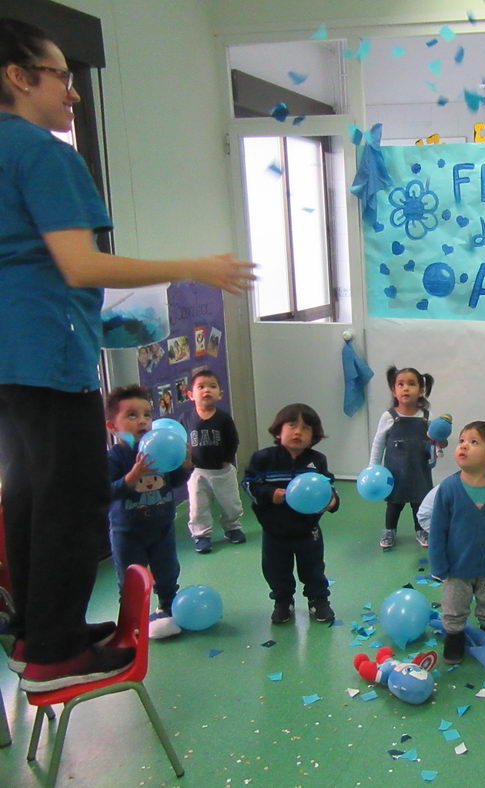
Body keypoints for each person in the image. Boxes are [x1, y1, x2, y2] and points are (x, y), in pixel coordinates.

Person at [0, 18, 253, 691]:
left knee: (28, 489)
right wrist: (192, 264)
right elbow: (81, 265)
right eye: (61, 75)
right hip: (44, 349)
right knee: (71, 497)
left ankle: (36, 629)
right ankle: (53, 651)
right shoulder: (40, 151)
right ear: (18, 77)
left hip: (8, 355)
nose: (73, 93)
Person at [105, 386, 189, 640]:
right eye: (131, 415)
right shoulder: (115, 457)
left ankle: (167, 606)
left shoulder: (160, 448)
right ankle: (131, 624)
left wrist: (186, 466)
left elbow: (171, 482)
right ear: (112, 426)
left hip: (162, 526)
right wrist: (132, 477)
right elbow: (107, 493)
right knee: (131, 581)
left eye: (146, 414)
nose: (142, 420)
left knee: (168, 572)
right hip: (127, 531)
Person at [242, 404, 338, 625]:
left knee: (313, 568)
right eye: (292, 425)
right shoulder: (263, 459)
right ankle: (283, 601)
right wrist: (269, 493)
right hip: (274, 529)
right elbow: (248, 484)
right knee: (276, 570)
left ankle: (318, 599)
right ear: (278, 431)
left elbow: (328, 485)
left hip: (308, 529)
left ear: (313, 436)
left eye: (305, 428)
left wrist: (333, 500)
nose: (298, 432)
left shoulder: (317, 461)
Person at [428, 421, 485, 665]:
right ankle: (454, 635)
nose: (464, 445)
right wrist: (439, 564)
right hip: (457, 566)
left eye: (474, 442)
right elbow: (437, 530)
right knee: (454, 605)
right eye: (462, 440)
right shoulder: (449, 487)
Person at [369, 366, 437, 550]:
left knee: (419, 502)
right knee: (394, 504)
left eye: (411, 384)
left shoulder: (426, 417)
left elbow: (433, 441)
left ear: (421, 390)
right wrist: (373, 467)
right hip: (395, 471)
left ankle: (421, 529)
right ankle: (389, 530)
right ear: (394, 390)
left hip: (419, 470)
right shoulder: (389, 416)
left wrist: (436, 451)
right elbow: (378, 442)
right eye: (400, 384)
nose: (405, 388)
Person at [180, 368, 244, 554]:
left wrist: (227, 460)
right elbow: (182, 441)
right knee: (198, 506)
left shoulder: (224, 419)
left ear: (220, 394)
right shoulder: (186, 418)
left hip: (222, 471)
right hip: (198, 471)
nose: (206, 390)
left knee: (231, 503)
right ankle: (201, 535)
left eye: (212, 386)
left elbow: (233, 441)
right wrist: (186, 460)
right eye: (201, 387)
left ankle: (232, 527)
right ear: (191, 394)